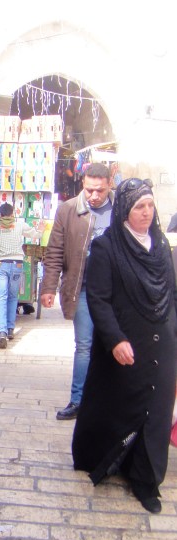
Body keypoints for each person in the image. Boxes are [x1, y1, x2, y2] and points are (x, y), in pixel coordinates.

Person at [72, 179, 177, 513]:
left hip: (162, 345)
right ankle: (107, 456)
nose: (146, 213)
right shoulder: (107, 247)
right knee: (121, 406)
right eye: (138, 207)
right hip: (126, 342)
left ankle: (146, 480)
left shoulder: (160, 244)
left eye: (149, 206)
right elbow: (99, 300)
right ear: (125, 212)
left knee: (157, 411)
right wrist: (115, 338)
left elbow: (171, 294)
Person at [40, 163, 114, 420]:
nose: (94, 196)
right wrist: (48, 287)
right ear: (83, 183)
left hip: (115, 292)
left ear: (109, 185)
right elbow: (55, 251)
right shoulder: (68, 209)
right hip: (82, 288)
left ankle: (108, 401)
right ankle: (78, 400)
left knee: (111, 344)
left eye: (100, 191)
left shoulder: (120, 209)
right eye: (90, 189)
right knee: (84, 346)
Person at [0, 203, 44, 348]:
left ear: (0, 214)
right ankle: (11, 328)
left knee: (1, 298)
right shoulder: (20, 225)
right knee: (13, 297)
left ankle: (2, 332)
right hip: (17, 264)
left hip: (1, 265)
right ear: (13, 213)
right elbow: (35, 235)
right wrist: (41, 229)